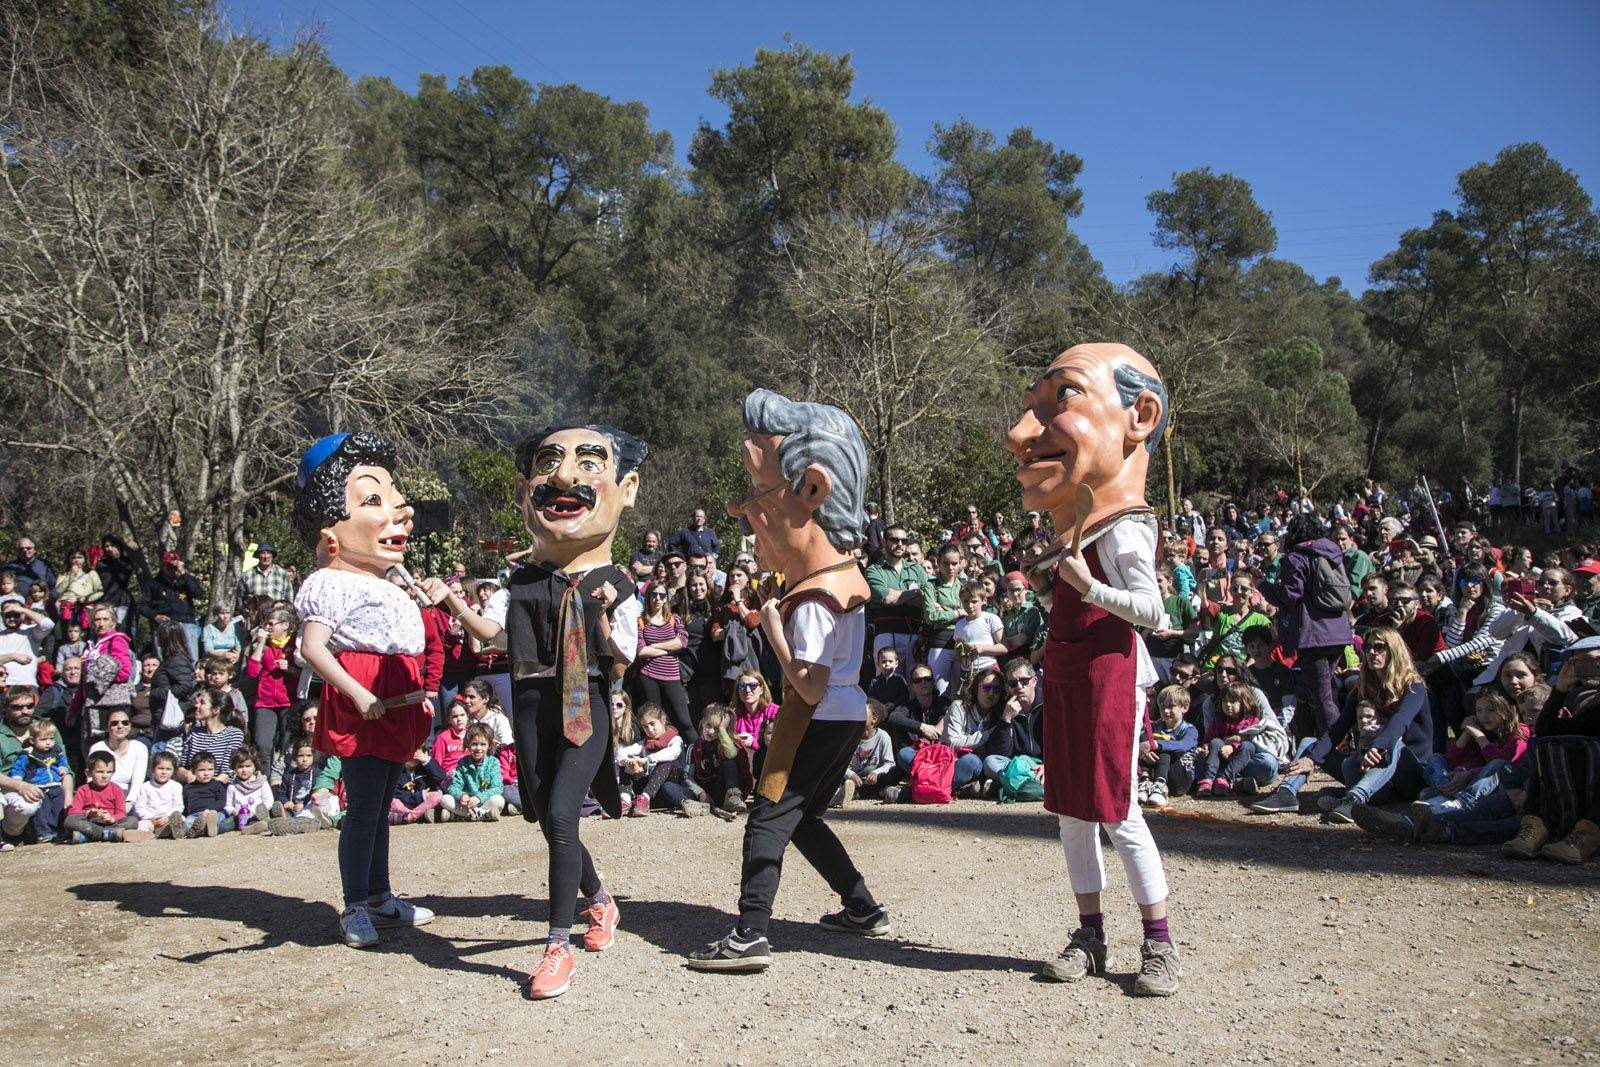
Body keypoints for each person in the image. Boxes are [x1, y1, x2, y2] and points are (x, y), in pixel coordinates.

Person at [416, 422, 645, 999]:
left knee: (563, 815)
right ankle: (602, 901)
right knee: (547, 817)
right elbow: (489, 635)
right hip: (532, 706)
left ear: (626, 489)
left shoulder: (616, 583)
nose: (564, 478)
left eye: (588, 464)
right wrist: (451, 601)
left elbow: (622, 657)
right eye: (549, 464)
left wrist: (599, 614)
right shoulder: (518, 583)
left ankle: (556, 946)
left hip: (586, 707)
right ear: (525, 492)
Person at [689, 389, 888, 974]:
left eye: (758, 497)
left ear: (813, 490)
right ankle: (861, 906)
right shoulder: (843, 574)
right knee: (803, 818)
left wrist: (774, 629)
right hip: (844, 715)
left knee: (768, 817)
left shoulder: (813, 597)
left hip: (816, 715)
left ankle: (750, 933)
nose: (747, 514)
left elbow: (809, 683)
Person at [1004, 341, 1179, 996]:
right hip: (1070, 667)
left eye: (1064, 396)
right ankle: (1090, 934)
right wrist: (1053, 591)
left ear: (1140, 417)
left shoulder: (1127, 525)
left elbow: (1153, 612)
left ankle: (1159, 942)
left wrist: (1086, 583)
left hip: (1113, 672)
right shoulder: (1078, 524)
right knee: (1072, 810)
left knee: (1117, 808)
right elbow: (1075, 604)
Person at [289, 431, 436, 948]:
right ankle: (355, 903)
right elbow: (313, 647)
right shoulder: (331, 582)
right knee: (364, 806)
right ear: (331, 532)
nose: (401, 512)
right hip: (367, 699)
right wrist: (357, 692)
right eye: (374, 499)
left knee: (381, 803)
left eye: (396, 499)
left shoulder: (388, 581)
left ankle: (379, 896)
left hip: (396, 697)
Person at [1254, 626, 1433, 822]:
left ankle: (1353, 799)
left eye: (1379, 647)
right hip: (1369, 764)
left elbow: (1400, 721)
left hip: (1409, 772)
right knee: (1309, 743)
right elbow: (1337, 729)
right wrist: (1311, 759)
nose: (1371, 652)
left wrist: (1378, 746)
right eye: (1367, 647)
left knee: (1393, 744)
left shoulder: (1413, 686)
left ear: (1394, 650)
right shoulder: (1363, 687)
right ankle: (1287, 792)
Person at [1260, 514, 1353, 741]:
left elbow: (1290, 595)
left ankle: (1332, 745)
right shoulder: (1333, 554)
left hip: (1314, 636)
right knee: (1324, 691)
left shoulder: (1296, 558)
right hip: (1339, 633)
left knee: (1321, 699)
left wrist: (1263, 586)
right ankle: (1336, 740)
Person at [864, 524, 930, 673]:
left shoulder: (916, 569)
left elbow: (928, 598)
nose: (900, 544)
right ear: (884, 542)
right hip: (886, 635)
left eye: (904, 541)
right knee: (887, 682)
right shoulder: (874, 570)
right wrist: (916, 593)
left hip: (914, 636)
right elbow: (887, 598)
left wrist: (898, 594)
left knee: (914, 683)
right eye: (895, 540)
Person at [72, 605, 134, 760]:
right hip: (91, 704)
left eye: (105, 619)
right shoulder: (91, 645)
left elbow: (124, 672)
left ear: (113, 622)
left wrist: (98, 678)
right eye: (97, 619)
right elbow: (84, 680)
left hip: (112, 706)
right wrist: (74, 708)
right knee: (91, 751)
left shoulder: (116, 640)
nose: (101, 623)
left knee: (109, 752)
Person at [1, 719, 73, 843]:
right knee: (42, 810)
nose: (48, 743)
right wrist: (17, 779)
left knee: (58, 807)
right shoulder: (28, 753)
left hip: (55, 784)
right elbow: (19, 767)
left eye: (51, 739)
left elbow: (63, 761)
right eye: (43, 740)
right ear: (33, 740)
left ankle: (60, 831)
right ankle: (43, 833)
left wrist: (63, 768)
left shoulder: (56, 750)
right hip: (38, 785)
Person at [634, 585, 692, 735]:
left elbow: (682, 642)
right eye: (654, 595)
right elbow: (641, 651)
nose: (657, 599)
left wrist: (654, 646)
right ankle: (657, 748)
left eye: (662, 595)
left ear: (666, 598)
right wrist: (670, 650)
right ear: (648, 597)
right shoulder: (640, 621)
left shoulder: (674, 619)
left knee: (684, 721)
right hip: (648, 675)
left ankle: (695, 748)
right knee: (653, 721)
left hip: (671, 675)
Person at [941, 666, 1003, 794]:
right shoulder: (959, 707)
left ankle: (953, 787)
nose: (991, 693)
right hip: (956, 762)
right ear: (976, 688)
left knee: (978, 762)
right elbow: (952, 743)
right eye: (986, 687)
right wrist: (986, 735)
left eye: (996, 689)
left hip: (985, 765)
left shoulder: (1002, 713)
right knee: (905, 754)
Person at [62, 750, 146, 843]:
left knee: (132, 821)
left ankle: (88, 837)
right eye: (100, 772)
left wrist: (111, 818)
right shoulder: (83, 790)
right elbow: (72, 812)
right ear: (88, 773)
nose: (105, 776)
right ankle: (108, 835)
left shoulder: (117, 790)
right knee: (70, 820)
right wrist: (88, 813)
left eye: (109, 772)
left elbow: (121, 813)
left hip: (111, 824)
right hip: (89, 824)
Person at [139, 552, 206, 662]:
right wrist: (155, 616)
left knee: (192, 658)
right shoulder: (154, 583)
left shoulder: (186, 580)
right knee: (162, 659)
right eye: (169, 567)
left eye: (175, 567)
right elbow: (142, 605)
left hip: (186, 622)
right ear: (164, 566)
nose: (173, 570)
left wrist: (183, 573)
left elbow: (199, 593)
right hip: (164, 624)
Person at [1139, 685, 1199, 808]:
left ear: (1184, 707)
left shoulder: (1190, 730)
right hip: (1158, 771)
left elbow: (1183, 745)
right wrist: (1146, 751)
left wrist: (1156, 744)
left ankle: (1160, 786)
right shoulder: (1156, 725)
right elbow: (1144, 738)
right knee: (1146, 740)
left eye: (1171, 706)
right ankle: (1145, 782)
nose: (1166, 711)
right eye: (1162, 706)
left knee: (1164, 747)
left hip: (1181, 779)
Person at [921, 544, 966, 695]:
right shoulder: (931, 586)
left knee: (962, 693)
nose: (950, 568)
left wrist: (945, 610)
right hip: (940, 643)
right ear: (938, 563)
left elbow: (972, 612)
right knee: (940, 692)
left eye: (954, 563)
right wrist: (958, 612)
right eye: (946, 563)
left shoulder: (965, 585)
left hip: (963, 643)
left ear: (960, 563)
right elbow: (931, 616)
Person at [441, 723, 505, 822]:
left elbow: (497, 787)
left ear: (489, 745)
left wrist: (479, 798)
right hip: (467, 804)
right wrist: (461, 795)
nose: (478, 748)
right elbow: (453, 786)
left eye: (483, 744)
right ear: (468, 744)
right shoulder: (463, 762)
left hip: (485, 801)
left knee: (499, 800)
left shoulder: (493, 762)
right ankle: (484, 815)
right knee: (445, 799)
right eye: (474, 744)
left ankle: (461, 816)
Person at [87, 710, 147, 799]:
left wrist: (129, 802)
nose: (120, 726)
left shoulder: (140, 748)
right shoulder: (97, 748)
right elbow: (91, 779)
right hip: (101, 797)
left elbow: (137, 783)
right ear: (107, 727)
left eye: (125, 723)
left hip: (129, 797)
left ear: (130, 727)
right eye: (114, 723)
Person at [130, 751, 185, 838]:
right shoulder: (145, 786)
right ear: (153, 769)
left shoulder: (176, 786)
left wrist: (167, 817)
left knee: (182, 819)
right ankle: (150, 834)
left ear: (174, 771)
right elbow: (139, 807)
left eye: (168, 769)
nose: (164, 772)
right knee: (142, 825)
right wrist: (151, 818)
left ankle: (169, 832)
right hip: (150, 820)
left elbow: (178, 806)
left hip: (168, 818)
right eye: (160, 768)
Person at [224, 745, 277, 834]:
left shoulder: (262, 783)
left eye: (248, 766)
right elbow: (227, 805)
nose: (244, 770)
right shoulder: (232, 786)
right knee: (226, 824)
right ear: (235, 768)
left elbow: (269, 802)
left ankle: (254, 827)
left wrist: (255, 812)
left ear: (254, 766)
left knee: (263, 821)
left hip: (257, 816)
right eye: (240, 767)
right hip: (238, 818)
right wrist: (234, 811)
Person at [0, 601, 54, 689]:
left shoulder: (31, 631)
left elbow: (48, 624)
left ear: (22, 615)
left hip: (26, 684)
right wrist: (13, 656)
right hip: (3, 686)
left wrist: (23, 610)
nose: (12, 618)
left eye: (16, 614)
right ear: (2, 615)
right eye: (8, 615)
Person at [391, 746, 447, 824]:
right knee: (392, 801)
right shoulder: (398, 772)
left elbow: (441, 777)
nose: (413, 757)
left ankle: (409, 817)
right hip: (405, 803)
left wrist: (427, 761)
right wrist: (420, 795)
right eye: (409, 753)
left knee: (438, 795)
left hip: (423, 804)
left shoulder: (426, 769)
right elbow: (396, 793)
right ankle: (414, 815)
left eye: (417, 753)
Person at [178, 752, 229, 836]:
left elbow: (221, 801)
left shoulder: (217, 785)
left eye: (210, 769)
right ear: (193, 771)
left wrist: (209, 811)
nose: (206, 773)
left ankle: (208, 828)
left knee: (221, 819)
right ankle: (182, 830)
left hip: (214, 813)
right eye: (201, 770)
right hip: (195, 816)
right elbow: (186, 805)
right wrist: (183, 816)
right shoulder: (188, 788)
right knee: (188, 822)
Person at [53, 550, 103, 630]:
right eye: (73, 557)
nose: (76, 560)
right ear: (69, 559)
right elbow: (58, 591)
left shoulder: (91, 573)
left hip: (84, 608)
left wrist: (87, 598)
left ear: (85, 559)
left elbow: (100, 591)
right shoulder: (64, 574)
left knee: (84, 632)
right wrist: (71, 575)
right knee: (67, 632)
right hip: (66, 608)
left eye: (80, 557)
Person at [237, 541, 296, 609]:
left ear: (272, 555)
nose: (266, 556)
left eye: (269, 553)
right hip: (255, 613)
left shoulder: (282, 574)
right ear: (258, 556)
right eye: (263, 553)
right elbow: (240, 599)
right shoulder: (247, 575)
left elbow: (289, 597)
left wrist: (286, 608)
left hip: (277, 613)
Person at [431, 700, 471, 779]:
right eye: (455, 716)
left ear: (468, 716)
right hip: (450, 777)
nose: (459, 719)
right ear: (449, 720)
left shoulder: (473, 735)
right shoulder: (442, 738)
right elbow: (436, 764)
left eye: (462, 715)